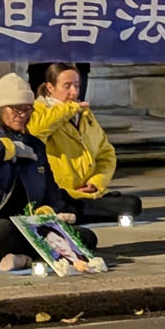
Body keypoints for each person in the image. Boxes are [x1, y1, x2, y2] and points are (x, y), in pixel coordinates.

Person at [0, 73, 96, 270]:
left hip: (29, 225)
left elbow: (50, 191)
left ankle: (25, 257)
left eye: (27, 109)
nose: (22, 115)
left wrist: (51, 213)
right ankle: (33, 254)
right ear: (0, 108)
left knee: (86, 238)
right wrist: (8, 149)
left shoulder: (34, 144)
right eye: (16, 109)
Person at [28, 62, 140, 223]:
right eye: (67, 86)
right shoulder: (38, 111)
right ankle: (65, 211)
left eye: (77, 85)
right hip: (59, 192)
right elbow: (36, 130)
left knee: (132, 205)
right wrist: (69, 109)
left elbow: (106, 153)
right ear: (50, 87)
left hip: (86, 193)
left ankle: (74, 212)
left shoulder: (85, 114)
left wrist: (96, 182)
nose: (74, 91)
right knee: (59, 204)